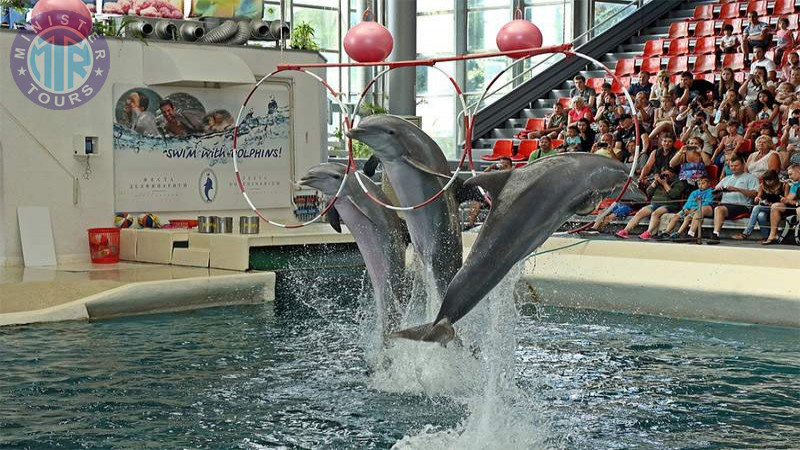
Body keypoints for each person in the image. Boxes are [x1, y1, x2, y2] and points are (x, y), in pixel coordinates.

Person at [616, 166, 688, 240]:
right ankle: (625, 230)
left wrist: (665, 184)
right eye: (664, 174)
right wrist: (655, 183)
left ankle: (648, 232)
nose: (665, 176)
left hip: (669, 204)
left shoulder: (678, 183)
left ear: (673, 174)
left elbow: (673, 195)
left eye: (667, 175)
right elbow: (648, 192)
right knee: (640, 213)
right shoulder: (658, 181)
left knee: (655, 213)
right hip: (655, 203)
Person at [707, 154, 759, 244]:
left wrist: (738, 189)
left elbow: (755, 194)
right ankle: (691, 233)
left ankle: (715, 234)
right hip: (724, 204)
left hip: (741, 205)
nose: (733, 168)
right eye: (731, 166)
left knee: (719, 209)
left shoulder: (751, 178)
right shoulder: (726, 178)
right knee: (703, 209)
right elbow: (714, 195)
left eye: (736, 165)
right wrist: (718, 191)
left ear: (743, 165)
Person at [732, 170, 787, 241]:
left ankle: (746, 233)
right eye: (766, 180)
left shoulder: (784, 185)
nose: (768, 183)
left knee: (756, 208)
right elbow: (758, 197)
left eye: (770, 180)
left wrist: (771, 204)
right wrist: (758, 199)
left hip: (777, 208)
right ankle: (766, 237)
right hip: (765, 207)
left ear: (775, 179)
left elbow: (785, 201)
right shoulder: (762, 185)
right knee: (760, 215)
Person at [463, 156, 513, 228]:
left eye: (506, 166)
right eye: (501, 165)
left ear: (511, 167)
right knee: (476, 203)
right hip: (490, 199)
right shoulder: (495, 175)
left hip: (503, 200)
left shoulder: (512, 175)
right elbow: (482, 177)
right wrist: (490, 167)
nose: (503, 167)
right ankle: (470, 225)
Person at [660, 175, 714, 241]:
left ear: (709, 183)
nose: (700, 185)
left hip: (696, 210)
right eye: (699, 184)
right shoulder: (694, 192)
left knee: (687, 218)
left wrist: (694, 210)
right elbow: (688, 202)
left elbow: (707, 203)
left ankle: (678, 233)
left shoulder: (710, 192)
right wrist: (685, 209)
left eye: (703, 183)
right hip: (688, 209)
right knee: (675, 217)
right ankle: (666, 232)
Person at [762, 163, 800, 244]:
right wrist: (784, 200)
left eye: (791, 174)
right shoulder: (795, 185)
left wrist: (791, 201)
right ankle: (773, 235)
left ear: (799, 171)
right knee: (775, 206)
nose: (789, 177)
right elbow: (789, 199)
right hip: (794, 207)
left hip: (798, 208)